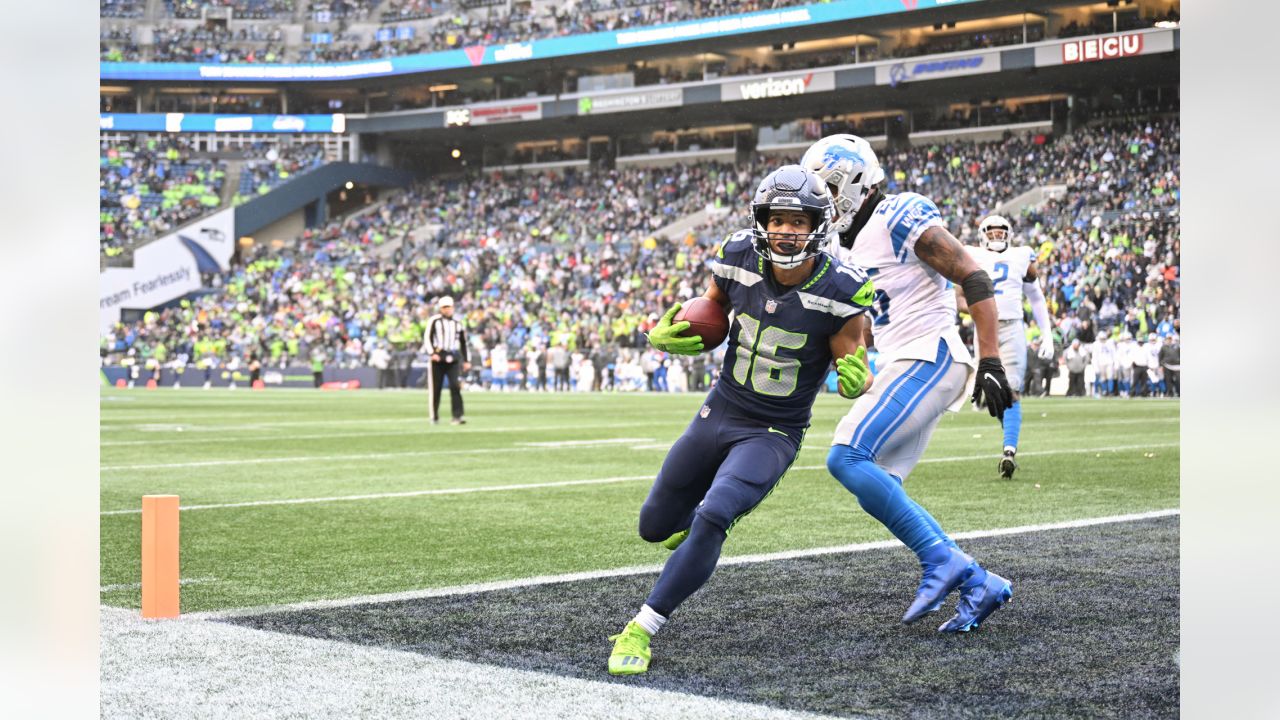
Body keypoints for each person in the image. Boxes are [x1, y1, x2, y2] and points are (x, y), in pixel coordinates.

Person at [607, 165, 875, 675]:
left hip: (774, 428)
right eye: (777, 219)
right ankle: (693, 530)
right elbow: (711, 310)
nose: (786, 230)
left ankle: (642, 627)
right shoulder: (736, 256)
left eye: (799, 220)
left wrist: (857, 377)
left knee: (714, 514)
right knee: (654, 526)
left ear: (820, 224)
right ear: (761, 220)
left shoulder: (841, 287)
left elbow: (851, 362)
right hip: (721, 408)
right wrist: (675, 330)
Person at [801, 134, 1016, 634]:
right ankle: (979, 583)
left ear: (854, 180)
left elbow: (974, 275)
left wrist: (991, 358)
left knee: (846, 456)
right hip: (903, 358)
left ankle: (943, 561)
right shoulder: (840, 241)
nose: (823, 199)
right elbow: (862, 322)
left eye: (828, 187)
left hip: (931, 354)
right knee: (877, 485)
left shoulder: (896, 214)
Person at [957, 215, 1056, 478]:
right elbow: (957, 297)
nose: (997, 237)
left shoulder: (1022, 255)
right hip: (984, 328)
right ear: (982, 235)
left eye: (1002, 233)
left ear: (1009, 234)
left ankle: (1009, 451)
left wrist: (1047, 334)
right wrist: (979, 309)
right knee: (994, 392)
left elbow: (1036, 295)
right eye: (992, 233)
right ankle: (1007, 437)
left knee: (1011, 390)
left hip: (1012, 327)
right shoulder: (970, 254)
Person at [422, 295, 470, 424]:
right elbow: (427, 338)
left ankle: (457, 416)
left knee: (455, 386)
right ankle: (434, 416)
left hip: (453, 358)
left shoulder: (457, 323)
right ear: (440, 308)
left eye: (449, 307)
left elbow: (463, 342)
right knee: (435, 389)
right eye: (445, 307)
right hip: (438, 358)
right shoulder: (435, 321)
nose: (447, 310)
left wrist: (466, 360)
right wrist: (432, 353)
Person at [1159, 333, 1180, 397]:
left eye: (1170, 338)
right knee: (1168, 380)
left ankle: (1179, 392)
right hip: (1167, 366)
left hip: (1177, 366)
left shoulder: (1177, 346)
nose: (1169, 340)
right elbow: (1160, 357)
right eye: (1168, 339)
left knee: (1178, 380)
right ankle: (1170, 393)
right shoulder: (1163, 347)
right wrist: (1161, 365)